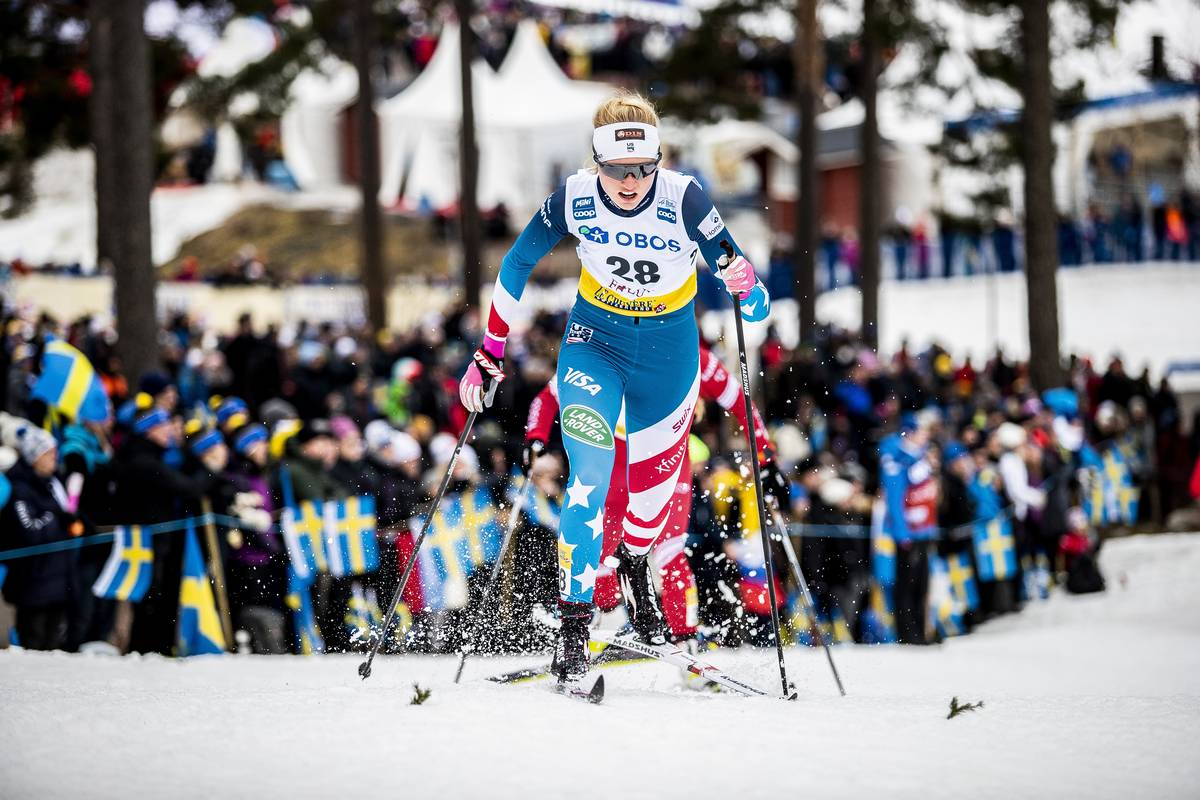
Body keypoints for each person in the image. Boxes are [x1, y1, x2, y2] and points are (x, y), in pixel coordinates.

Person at [457, 92, 770, 693]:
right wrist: (490, 349)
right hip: (593, 347)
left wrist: (743, 281)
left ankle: (632, 566)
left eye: (643, 169)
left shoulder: (684, 198)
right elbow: (515, 266)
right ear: (594, 163)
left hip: (668, 362)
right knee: (587, 483)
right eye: (616, 170)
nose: (630, 183)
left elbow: (750, 300)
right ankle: (573, 637)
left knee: (649, 520)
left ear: (659, 161)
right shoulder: (573, 198)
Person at [0, 426, 74, 650]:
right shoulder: (20, 490)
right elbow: (30, 531)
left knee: (53, 649)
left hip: (56, 580)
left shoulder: (53, 484)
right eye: (49, 453)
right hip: (32, 583)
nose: (54, 458)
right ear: (35, 457)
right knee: (34, 645)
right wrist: (55, 518)